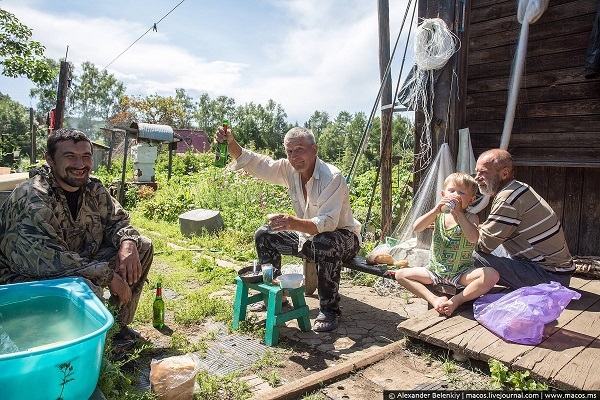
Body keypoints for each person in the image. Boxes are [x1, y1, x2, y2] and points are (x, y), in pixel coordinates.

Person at [0, 128, 153, 341]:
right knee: (85, 287)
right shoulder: (32, 198)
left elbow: (117, 222)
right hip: (24, 279)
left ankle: (116, 330)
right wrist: (108, 276)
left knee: (141, 246)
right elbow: (49, 262)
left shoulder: (93, 189)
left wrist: (128, 242)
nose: (80, 165)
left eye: (86, 156)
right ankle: (83, 344)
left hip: (79, 263)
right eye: (70, 156)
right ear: (50, 159)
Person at [214, 126, 361, 332]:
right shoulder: (289, 170)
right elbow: (258, 163)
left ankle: (329, 309)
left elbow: (327, 223)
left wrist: (293, 223)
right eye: (289, 151)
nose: (294, 156)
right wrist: (231, 144)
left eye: (300, 149)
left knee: (324, 242)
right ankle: (277, 297)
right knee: (265, 235)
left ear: (314, 149)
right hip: (307, 236)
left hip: (343, 238)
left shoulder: (332, 176)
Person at [393, 172, 499, 316]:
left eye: (461, 192)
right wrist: (436, 210)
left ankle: (456, 301)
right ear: (443, 194)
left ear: (471, 200)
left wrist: (459, 214)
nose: (455, 195)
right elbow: (417, 228)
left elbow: (473, 238)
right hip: (435, 271)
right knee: (400, 275)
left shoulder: (470, 217)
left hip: (461, 272)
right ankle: (435, 300)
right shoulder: (439, 216)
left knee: (492, 275)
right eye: (451, 191)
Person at [473, 149, 574, 289]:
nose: (477, 177)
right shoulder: (518, 187)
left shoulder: (507, 199)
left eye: (483, 172)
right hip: (555, 272)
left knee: (465, 253)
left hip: (548, 277)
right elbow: (491, 233)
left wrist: (457, 226)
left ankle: (453, 289)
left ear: (504, 173)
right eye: (476, 172)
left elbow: (483, 245)